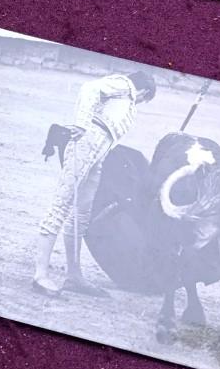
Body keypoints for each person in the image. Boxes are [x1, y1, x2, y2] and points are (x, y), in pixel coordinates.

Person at [33, 70, 157, 296]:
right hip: (86, 142)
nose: (141, 103)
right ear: (144, 92)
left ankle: (73, 274)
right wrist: (80, 124)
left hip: (99, 152)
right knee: (61, 206)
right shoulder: (124, 84)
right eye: (145, 100)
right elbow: (89, 88)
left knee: (80, 216)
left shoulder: (126, 98)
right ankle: (40, 275)